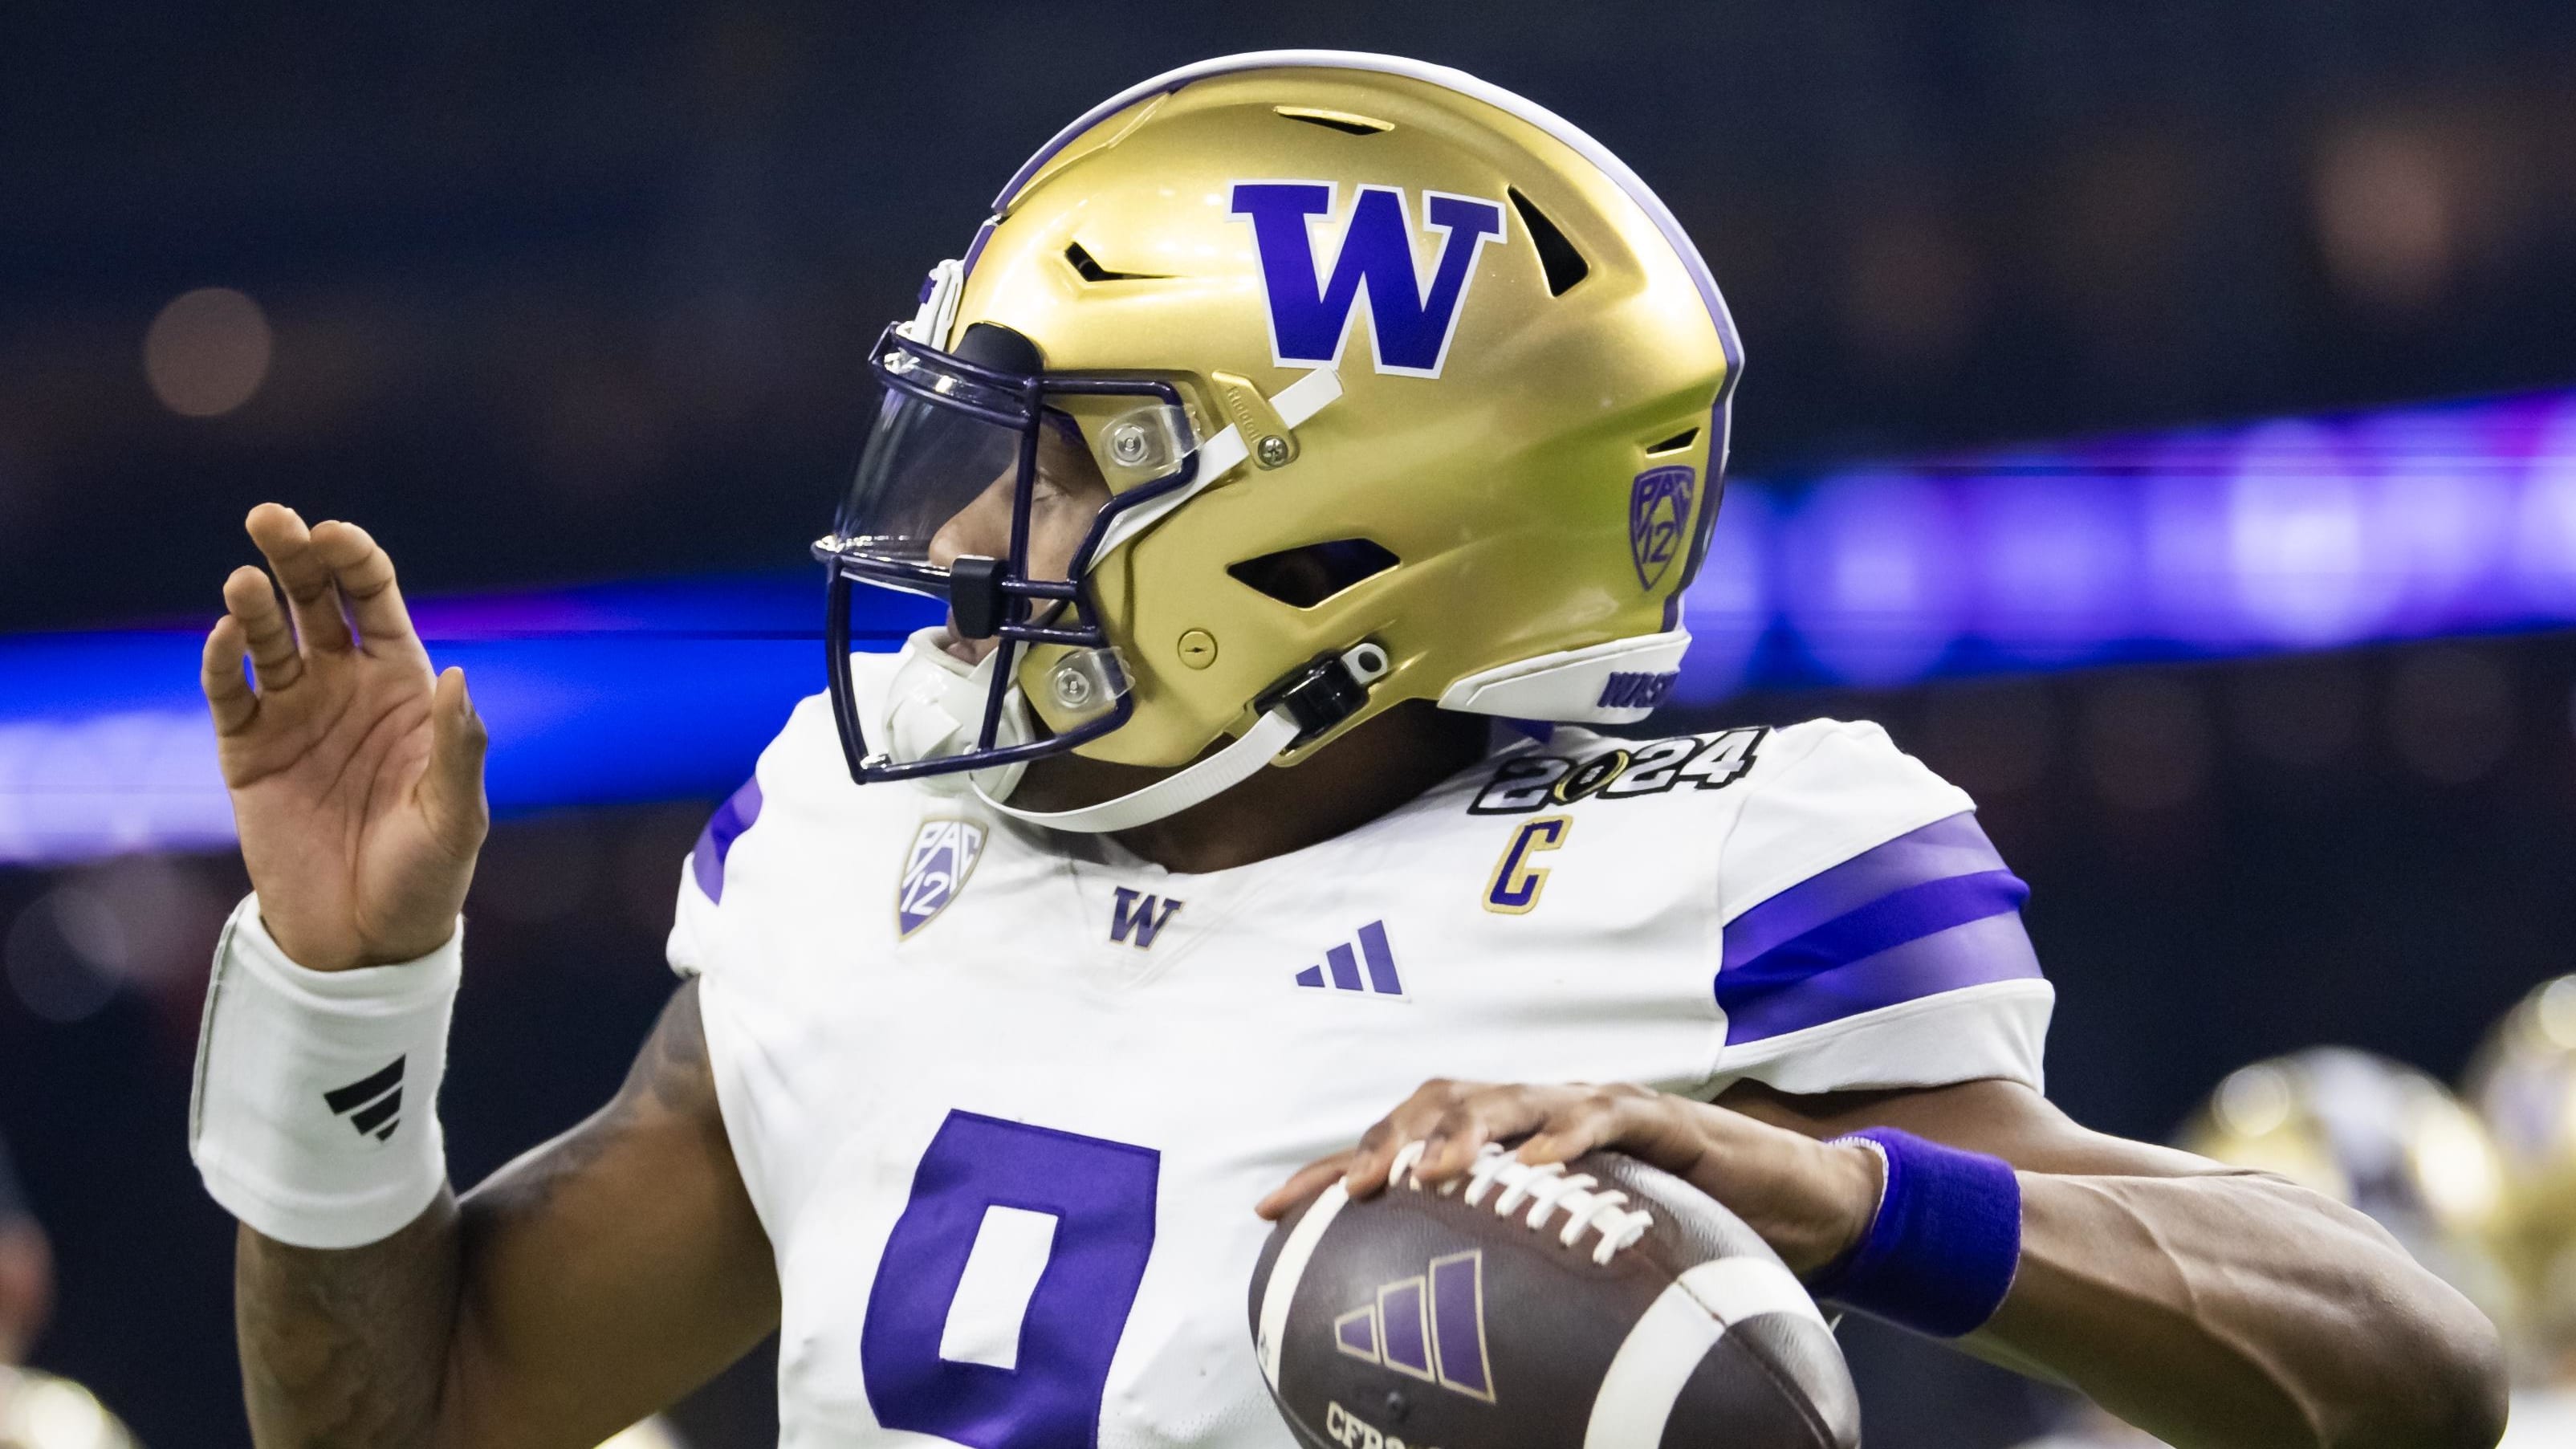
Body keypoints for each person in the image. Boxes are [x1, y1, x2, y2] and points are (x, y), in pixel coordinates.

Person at [186, 51, 2505, 1449]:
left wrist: (1844, 1192)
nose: (965, 526)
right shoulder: (845, 846)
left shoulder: (1709, 874)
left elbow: (2398, 1376)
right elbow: (424, 1419)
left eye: (1066, 460)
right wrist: (341, 987)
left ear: (1334, 540)